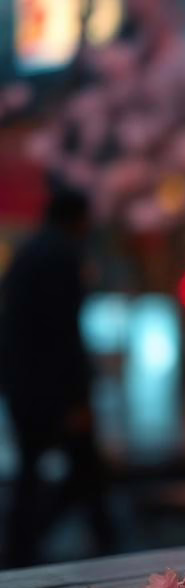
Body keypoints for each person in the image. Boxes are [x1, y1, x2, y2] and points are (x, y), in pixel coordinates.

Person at [0, 185, 110, 566]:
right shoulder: (63, 257)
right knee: (87, 474)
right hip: (56, 392)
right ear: (78, 219)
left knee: (33, 474)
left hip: (24, 388)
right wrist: (78, 397)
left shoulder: (26, 254)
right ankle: (104, 552)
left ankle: (21, 550)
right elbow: (63, 333)